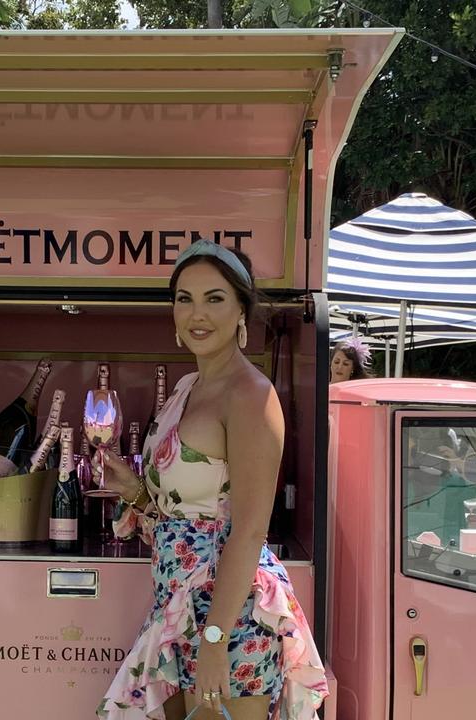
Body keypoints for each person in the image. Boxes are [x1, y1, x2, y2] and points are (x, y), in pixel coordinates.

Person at [97, 240, 327, 720]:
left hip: (232, 616)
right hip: (177, 608)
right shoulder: (188, 387)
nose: (196, 313)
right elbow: (188, 514)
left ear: (242, 308)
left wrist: (216, 641)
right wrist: (136, 491)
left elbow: (247, 530)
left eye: (214, 298)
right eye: (184, 298)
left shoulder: (251, 396)